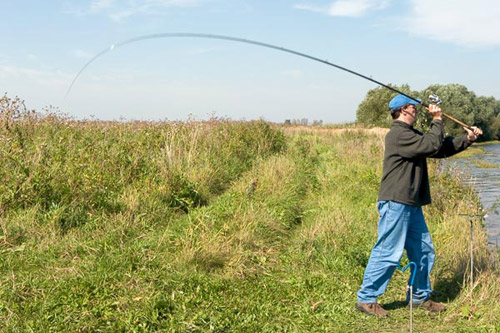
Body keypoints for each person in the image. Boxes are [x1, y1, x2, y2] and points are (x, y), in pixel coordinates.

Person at [355, 94, 483, 318]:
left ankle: (418, 297)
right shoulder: (397, 134)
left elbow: (439, 148)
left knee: (423, 251)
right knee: (388, 251)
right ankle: (367, 298)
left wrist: (467, 138)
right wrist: (437, 119)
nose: (416, 111)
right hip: (396, 201)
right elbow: (432, 142)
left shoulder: (411, 135)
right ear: (403, 110)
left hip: (411, 203)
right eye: (413, 108)